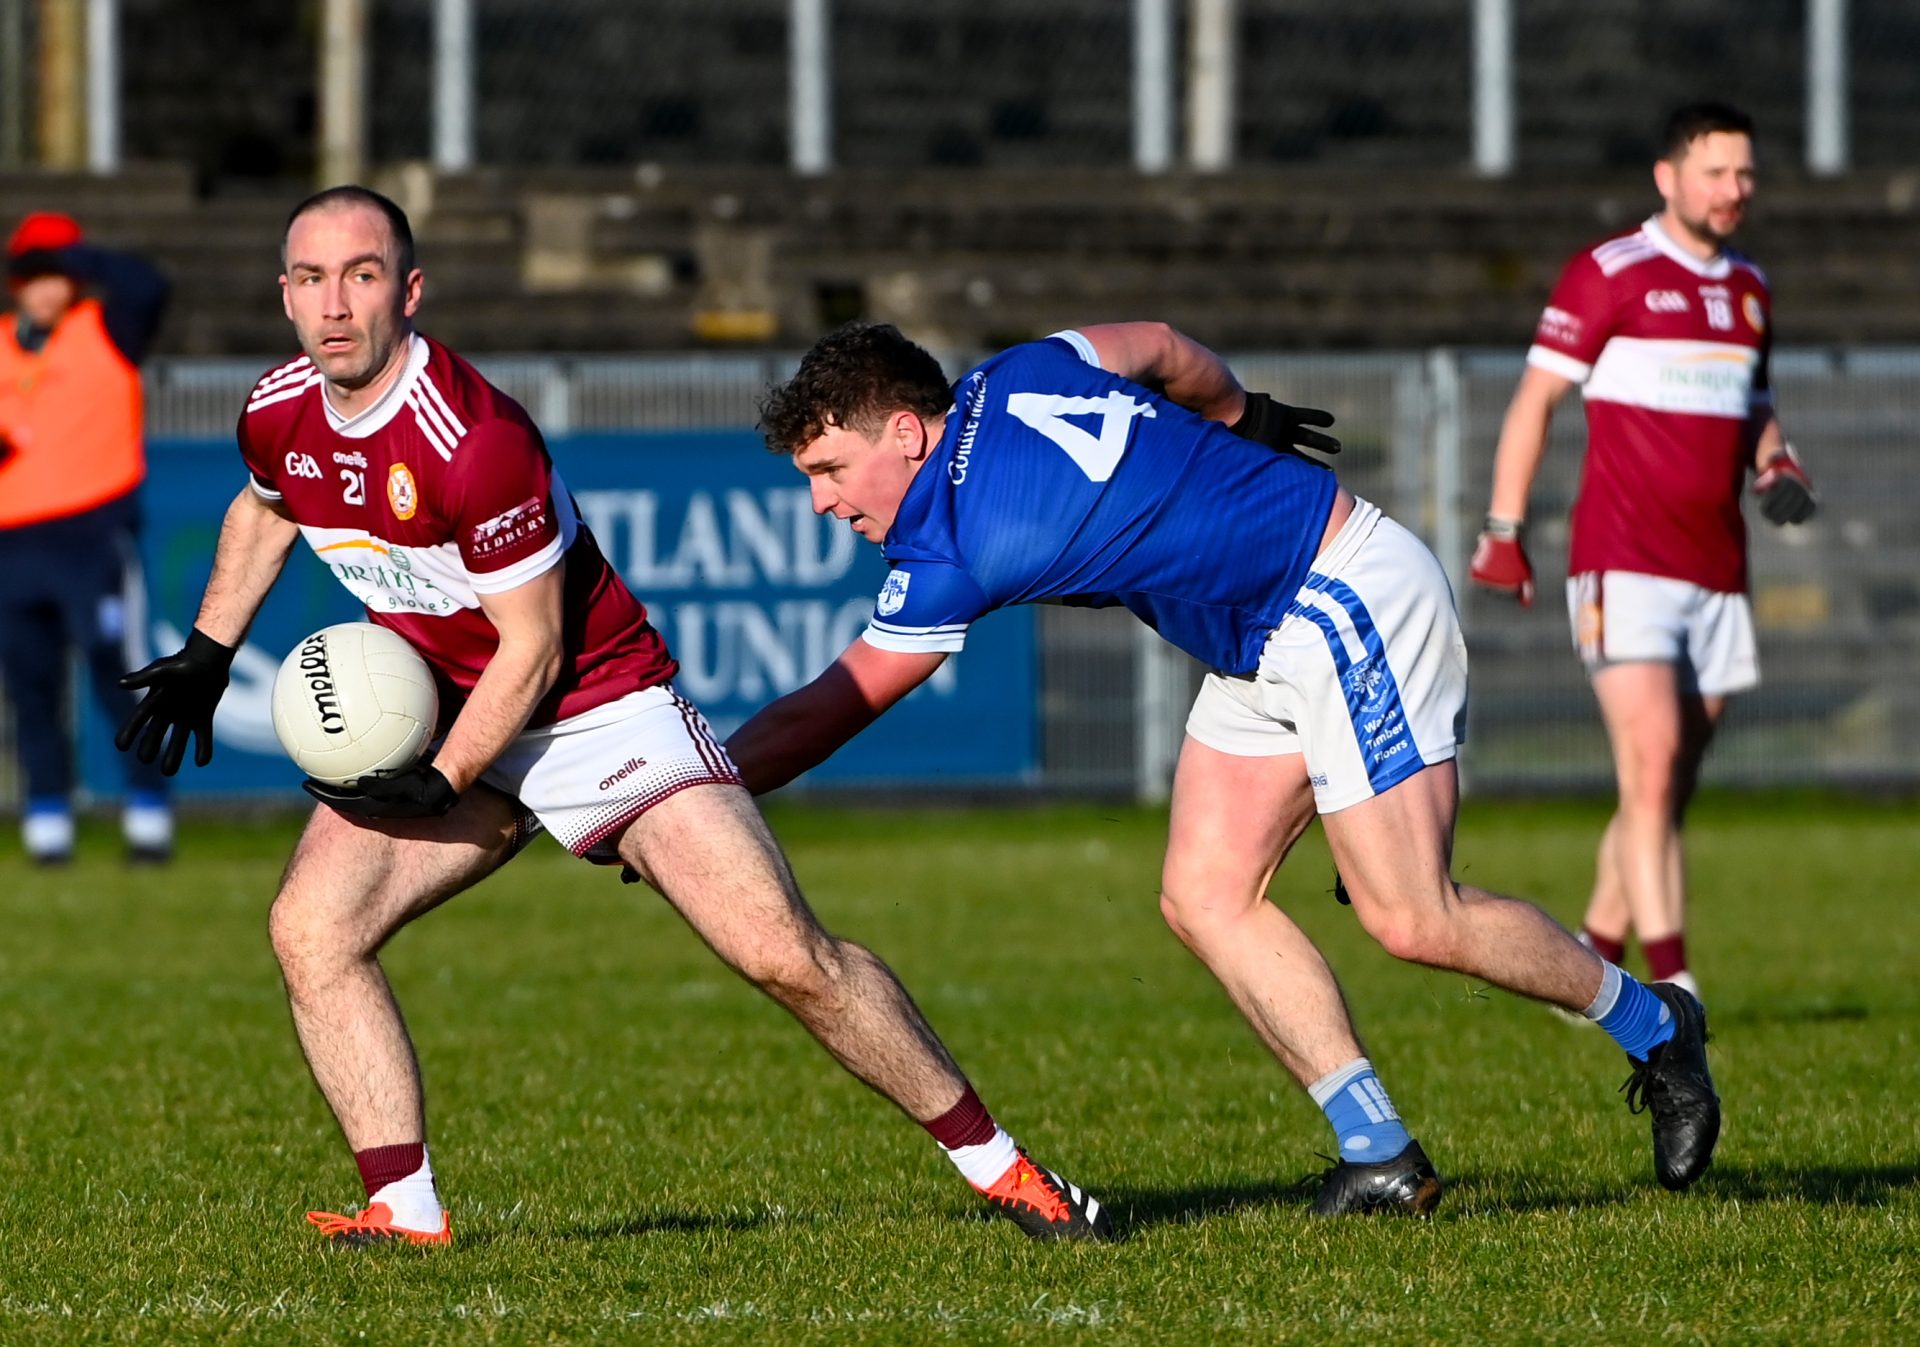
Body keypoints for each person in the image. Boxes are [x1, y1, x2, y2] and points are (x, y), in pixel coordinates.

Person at [115, 186, 1109, 1246]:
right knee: (312, 929)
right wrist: (209, 652)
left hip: (600, 710)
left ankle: (1005, 1172)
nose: (335, 305)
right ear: (284, 294)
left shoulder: (474, 439)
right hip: (449, 710)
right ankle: (403, 1208)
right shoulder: (278, 405)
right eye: (311, 279)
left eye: (362, 276)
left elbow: (537, 648)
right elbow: (268, 504)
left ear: (409, 290)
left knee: (783, 955)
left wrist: (446, 779)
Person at [727, 318, 1724, 1216]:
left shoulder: (963, 544)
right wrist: (1240, 413)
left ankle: (1657, 1026)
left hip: (1339, 599)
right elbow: (1158, 345)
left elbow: (834, 706)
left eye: (830, 468)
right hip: (1265, 634)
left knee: (1412, 917)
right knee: (1204, 894)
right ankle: (1377, 1152)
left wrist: (696, 792)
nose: (821, 501)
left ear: (907, 432)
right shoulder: (1020, 368)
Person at [1470, 103, 1814, 1003]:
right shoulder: (1609, 273)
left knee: (1663, 784)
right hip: (1623, 564)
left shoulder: (1749, 288)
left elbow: (1754, 403)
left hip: (1718, 572)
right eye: (1715, 173)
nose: (1734, 190)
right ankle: (1670, 990)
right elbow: (1535, 401)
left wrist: (1776, 459)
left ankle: (1591, 944)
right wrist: (1503, 531)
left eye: (1745, 174)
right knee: (1654, 761)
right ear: (1667, 178)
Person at [0, 212, 172, 863]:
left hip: (92, 539)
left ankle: (147, 814)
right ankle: (49, 822)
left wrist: (82, 256)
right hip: (13, 545)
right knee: (31, 687)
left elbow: (149, 285)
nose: (47, 290)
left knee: (119, 679)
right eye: (34, 275)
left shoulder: (105, 329)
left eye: (58, 275)